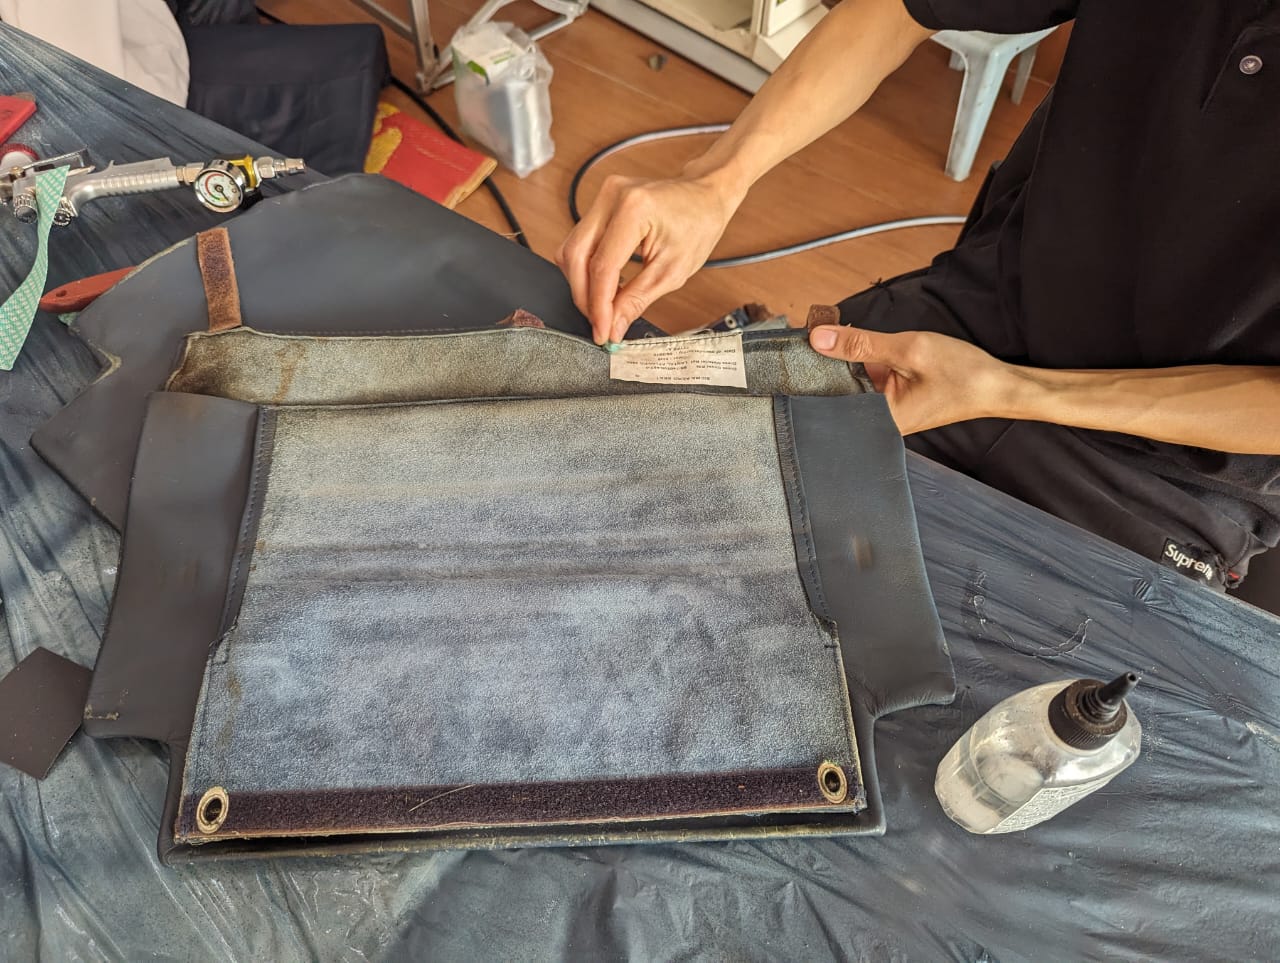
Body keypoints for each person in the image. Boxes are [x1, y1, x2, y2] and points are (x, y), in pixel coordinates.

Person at [557, 0, 1280, 594]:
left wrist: (1011, 390)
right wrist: (715, 179)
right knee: (655, 504)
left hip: (1175, 475)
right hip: (978, 316)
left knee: (980, 699)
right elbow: (901, 8)